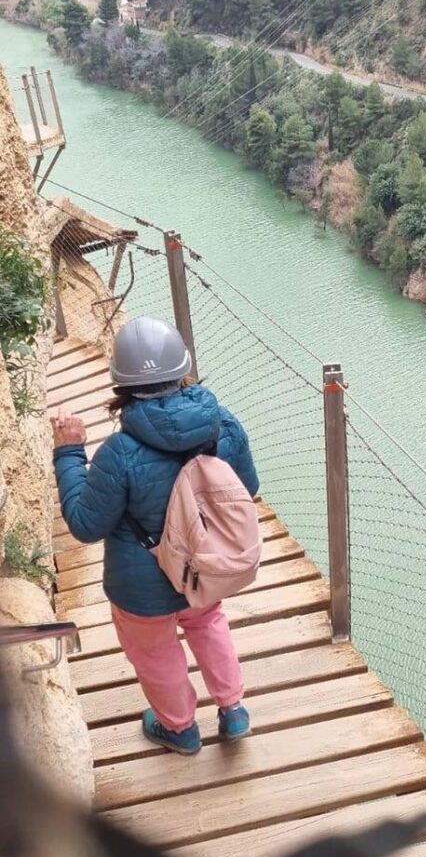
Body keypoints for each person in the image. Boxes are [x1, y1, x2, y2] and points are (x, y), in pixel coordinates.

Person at [51, 316, 259, 757]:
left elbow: (86, 525)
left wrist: (69, 452)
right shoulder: (223, 423)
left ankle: (180, 729)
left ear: (121, 384)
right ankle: (233, 708)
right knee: (207, 623)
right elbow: (247, 489)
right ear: (183, 368)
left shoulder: (118, 453)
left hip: (141, 585)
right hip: (204, 567)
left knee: (155, 651)